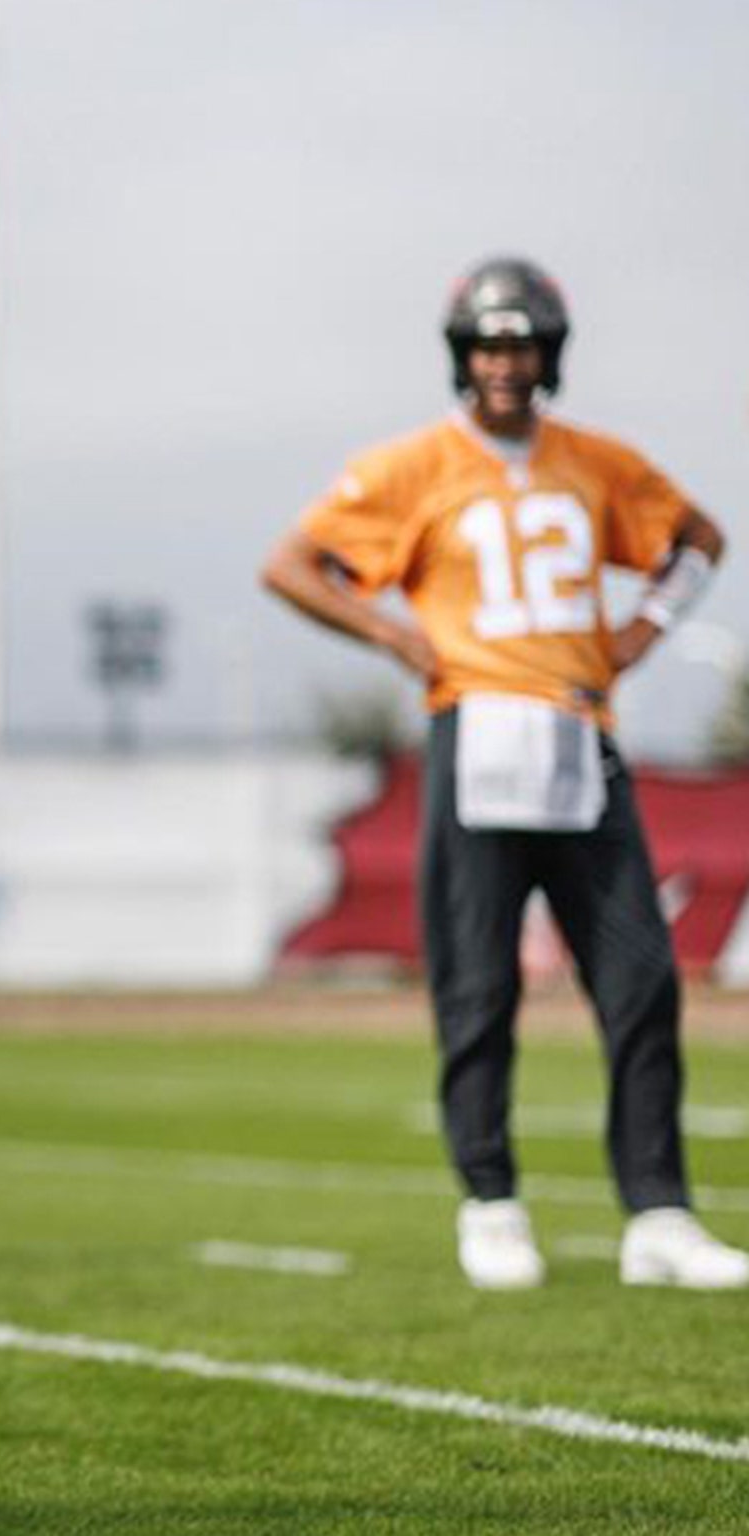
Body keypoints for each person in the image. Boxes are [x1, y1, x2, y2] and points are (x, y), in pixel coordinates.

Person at [261, 256, 741, 1292]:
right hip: (476, 736)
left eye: (519, 341)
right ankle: (489, 1200)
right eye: (486, 343)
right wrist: (388, 635)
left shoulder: (594, 461)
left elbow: (699, 538)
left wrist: (643, 630)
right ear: (460, 355)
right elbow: (289, 563)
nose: (503, 362)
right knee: (476, 988)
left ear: (548, 352)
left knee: (641, 980)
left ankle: (654, 1212)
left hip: (578, 737)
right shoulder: (410, 466)